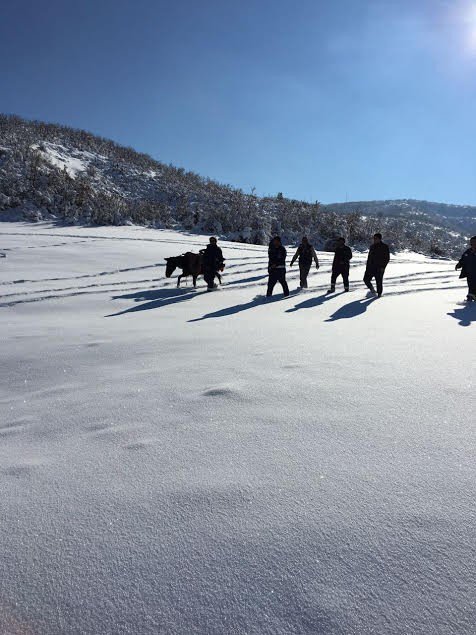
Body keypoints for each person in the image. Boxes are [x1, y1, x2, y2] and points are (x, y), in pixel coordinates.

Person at [364, 233, 390, 297]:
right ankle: (372, 290)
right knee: (366, 279)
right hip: (370, 267)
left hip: (379, 268)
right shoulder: (372, 246)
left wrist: (383, 267)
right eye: (374, 238)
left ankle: (379, 295)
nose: (374, 240)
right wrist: (367, 266)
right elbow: (369, 257)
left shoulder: (385, 246)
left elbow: (387, 258)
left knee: (379, 282)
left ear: (379, 239)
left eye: (376, 238)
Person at [456, 236, 476, 301]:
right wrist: (459, 264)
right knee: (470, 284)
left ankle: (472, 295)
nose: (472, 244)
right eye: (471, 243)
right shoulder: (468, 251)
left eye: (474, 242)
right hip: (469, 273)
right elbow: (463, 259)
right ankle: (471, 296)